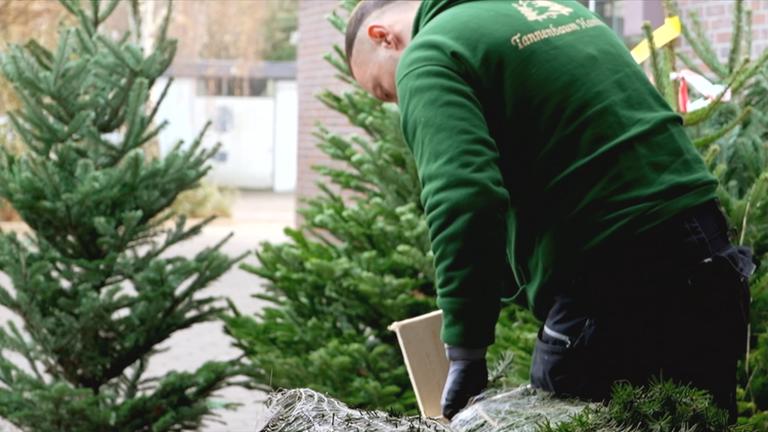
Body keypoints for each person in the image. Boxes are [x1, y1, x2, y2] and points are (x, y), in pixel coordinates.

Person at [344, 0, 753, 421]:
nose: (397, 103)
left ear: (384, 37)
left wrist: (465, 352)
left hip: (612, 280)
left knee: (562, 420)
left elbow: (465, 199)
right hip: (708, 253)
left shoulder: (428, 53)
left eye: (384, 91)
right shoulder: (556, 6)